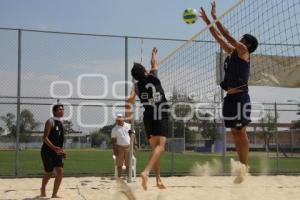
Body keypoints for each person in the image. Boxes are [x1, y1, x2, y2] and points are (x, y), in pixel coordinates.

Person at [199, 1, 258, 183]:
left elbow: (226, 34)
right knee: (234, 132)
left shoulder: (243, 51)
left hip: (240, 97)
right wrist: (208, 21)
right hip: (230, 98)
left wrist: (215, 17)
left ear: (246, 44)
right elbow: (218, 37)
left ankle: (244, 167)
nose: (239, 40)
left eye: (242, 39)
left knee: (241, 131)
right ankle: (241, 168)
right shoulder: (232, 53)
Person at [126, 47, 169, 190]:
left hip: (148, 116)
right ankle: (145, 172)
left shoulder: (136, 86)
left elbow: (130, 100)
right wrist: (154, 54)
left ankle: (158, 180)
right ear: (145, 71)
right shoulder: (153, 76)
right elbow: (154, 63)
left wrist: (129, 106)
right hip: (159, 113)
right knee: (161, 147)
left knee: (155, 150)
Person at [40, 104, 66, 198]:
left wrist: (61, 151)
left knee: (60, 172)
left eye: (63, 109)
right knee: (49, 172)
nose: (62, 111)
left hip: (57, 152)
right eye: (60, 109)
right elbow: (45, 138)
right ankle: (43, 188)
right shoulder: (50, 121)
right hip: (47, 151)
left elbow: (59, 141)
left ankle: (54, 194)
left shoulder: (61, 123)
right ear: (54, 111)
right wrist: (54, 148)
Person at [111, 113, 132, 178]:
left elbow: (133, 135)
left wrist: (135, 144)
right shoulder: (114, 129)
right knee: (119, 164)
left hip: (128, 147)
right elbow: (113, 141)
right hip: (119, 148)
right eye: (117, 120)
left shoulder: (129, 126)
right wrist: (114, 150)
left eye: (119, 119)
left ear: (123, 119)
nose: (118, 121)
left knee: (128, 164)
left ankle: (129, 177)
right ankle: (119, 177)